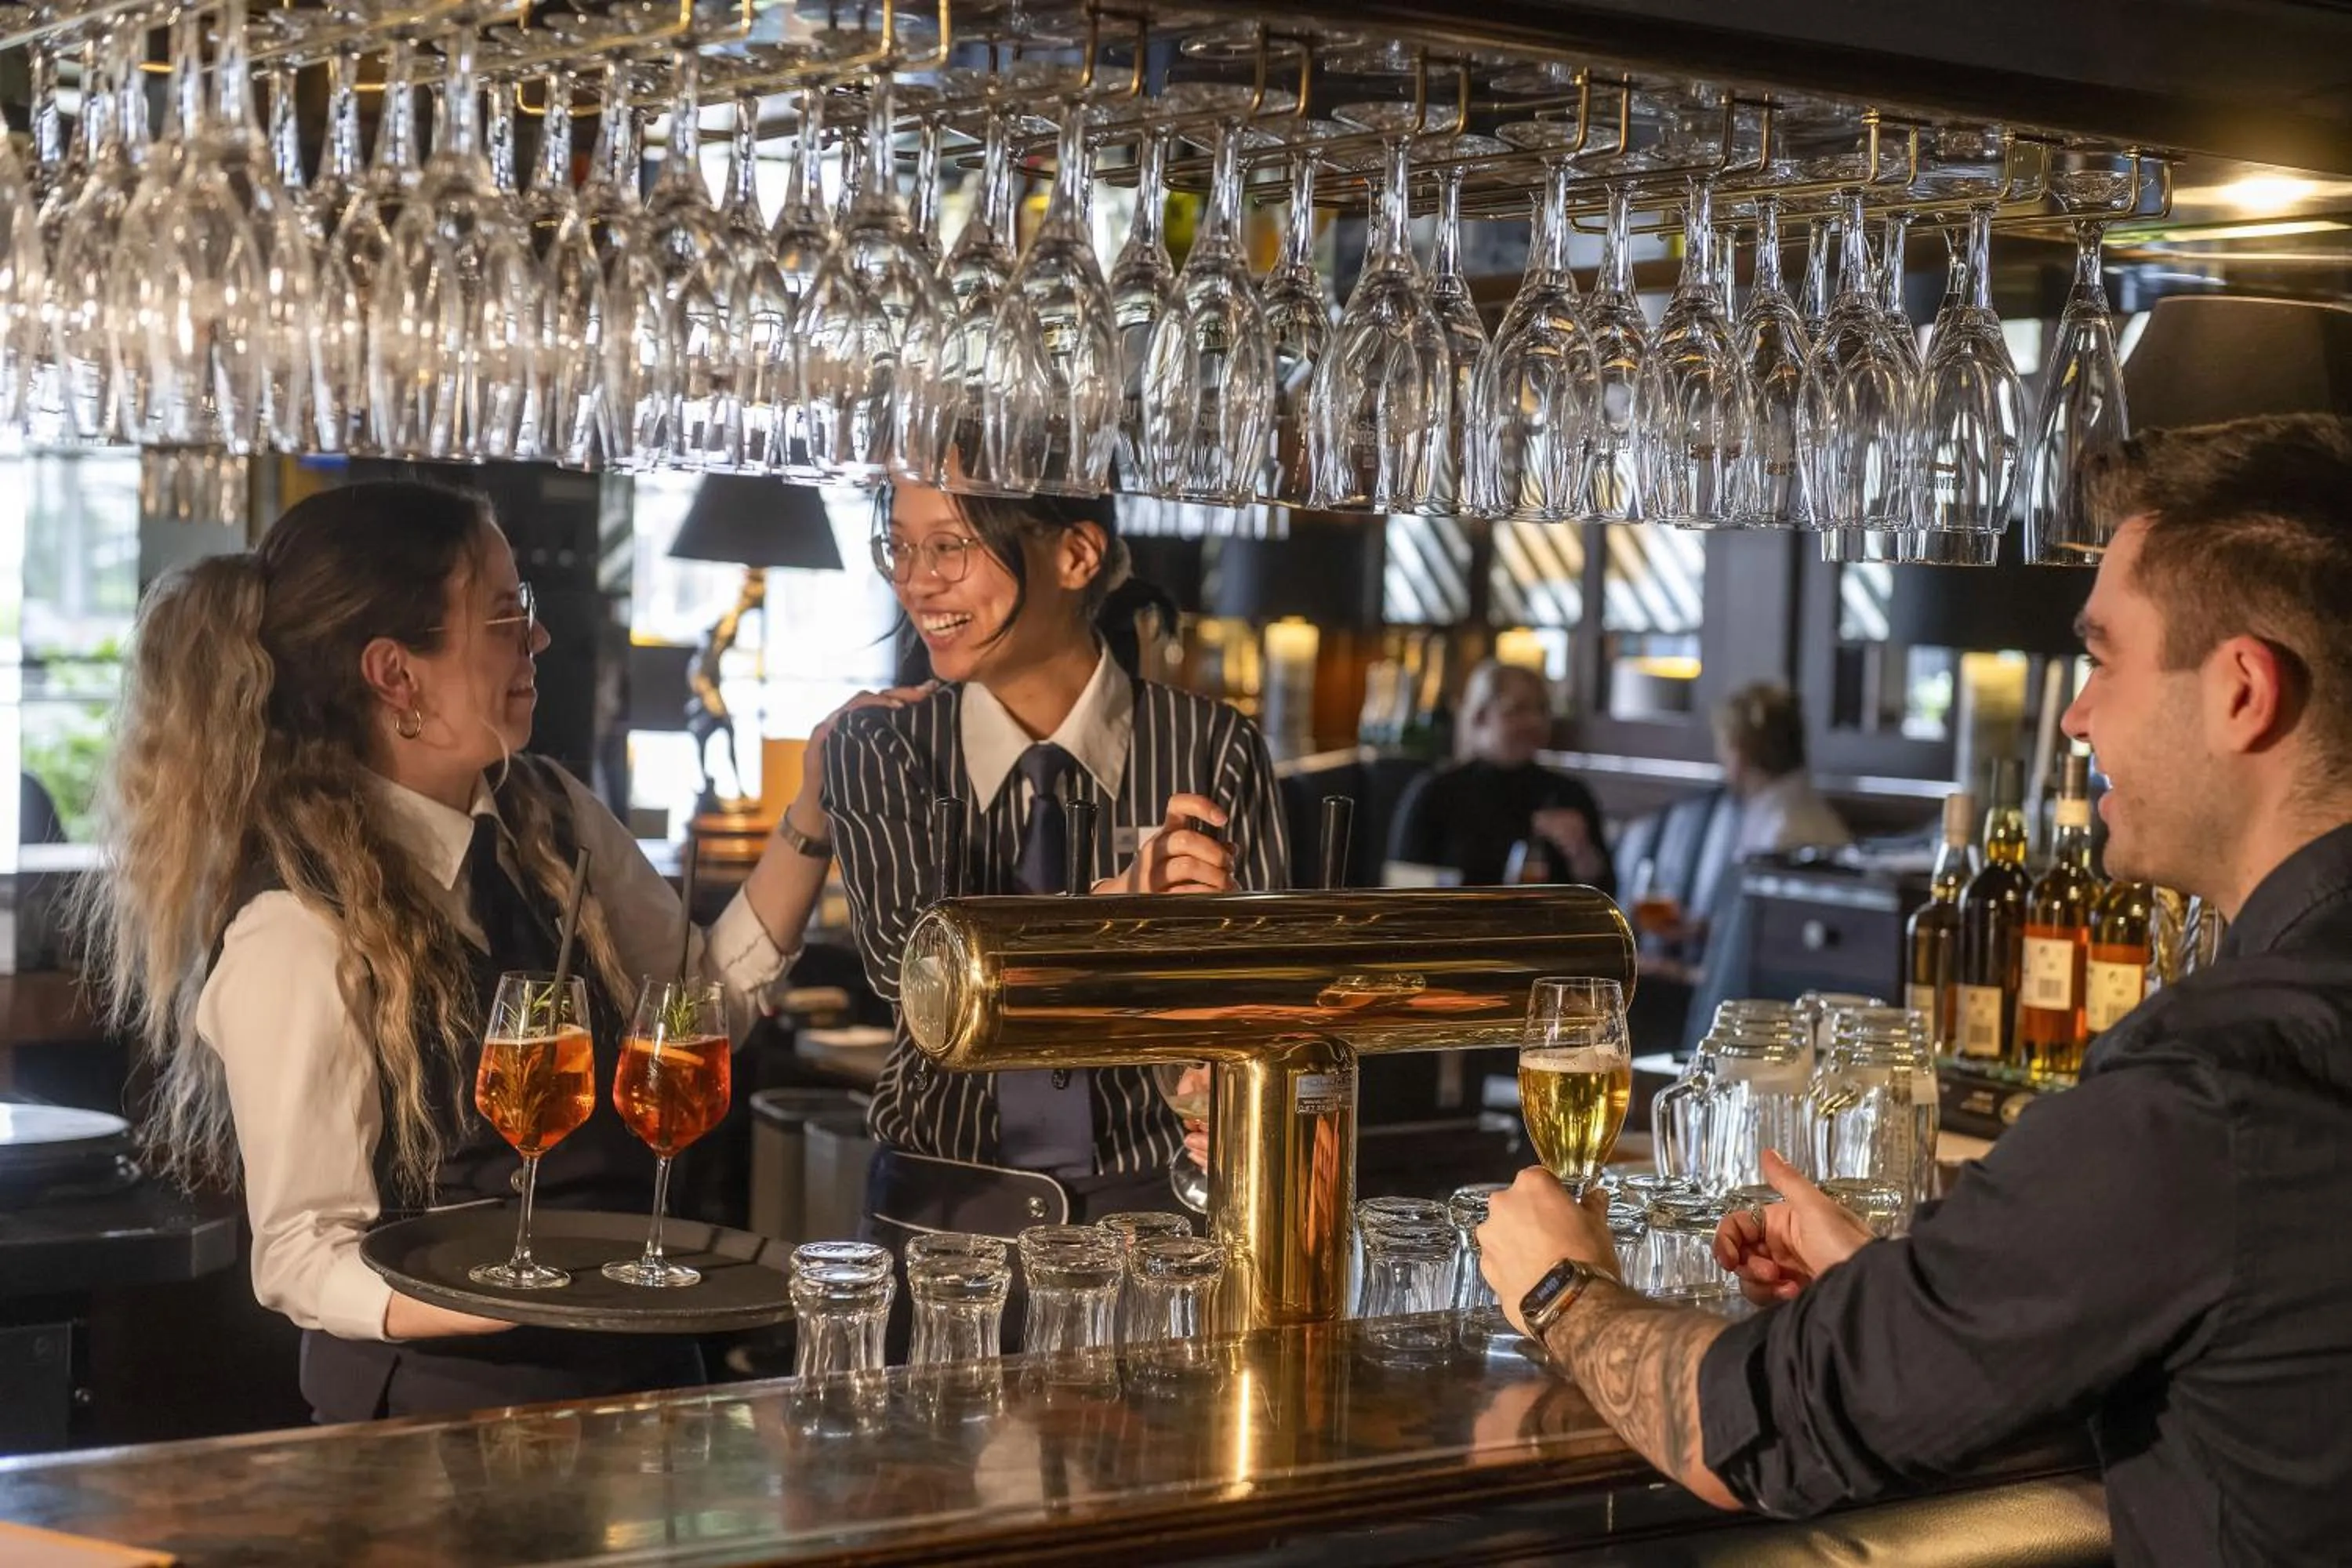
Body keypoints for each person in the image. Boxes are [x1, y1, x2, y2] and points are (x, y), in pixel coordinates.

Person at [1475, 414, 2352, 1565]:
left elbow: (1754, 1430)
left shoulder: (2205, 1093)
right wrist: (1916, 1299)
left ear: (2242, 691)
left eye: (2102, 659)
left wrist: (1563, 1289)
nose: (2078, 714)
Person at [71, 481, 862, 1425]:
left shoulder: (553, 812)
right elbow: (303, 1253)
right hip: (444, 1415)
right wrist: (508, 1294)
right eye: (504, 615)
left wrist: (813, 812)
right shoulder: (295, 924)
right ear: (395, 674)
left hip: (641, 1372)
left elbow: (700, 1008)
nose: (540, 637)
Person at [825, 484, 1287, 1243]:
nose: (915, 579)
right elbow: (916, 975)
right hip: (941, 1226)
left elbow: (1269, 1000)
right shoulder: (882, 745)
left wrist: (1224, 1062)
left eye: (948, 545)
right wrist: (1114, 912)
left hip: (1156, 1228)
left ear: (1076, 555)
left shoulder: (1212, 748)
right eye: (900, 547)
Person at [1386, 660, 1613, 893]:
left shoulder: (1569, 794)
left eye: (1542, 709)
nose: (1535, 721)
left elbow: (1607, 896)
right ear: (1480, 716)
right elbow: (1404, 890)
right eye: (1519, 709)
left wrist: (1581, 852)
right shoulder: (1436, 793)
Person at [1712, 681, 1849, 860]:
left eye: (1724, 746)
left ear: (1741, 753)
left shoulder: (1787, 832)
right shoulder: (1779, 812)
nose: (1719, 756)